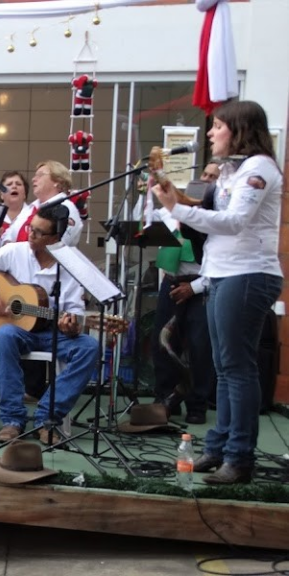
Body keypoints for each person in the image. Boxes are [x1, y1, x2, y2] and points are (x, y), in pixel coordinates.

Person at [152, 100, 283, 485]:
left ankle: (239, 456)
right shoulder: (233, 170)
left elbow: (234, 221)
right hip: (224, 273)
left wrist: (178, 206)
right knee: (226, 368)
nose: (211, 133)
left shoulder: (258, 169)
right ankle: (220, 445)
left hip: (248, 273)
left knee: (237, 369)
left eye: (218, 126)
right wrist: (171, 194)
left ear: (239, 130)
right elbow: (204, 207)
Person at [0, 204, 98, 445]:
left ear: (55, 237)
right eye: (30, 228)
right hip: (17, 330)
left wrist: (72, 325)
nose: (30, 234)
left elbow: (74, 312)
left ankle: (47, 418)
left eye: (37, 232)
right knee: (4, 335)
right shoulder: (14, 251)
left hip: (52, 332)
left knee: (89, 347)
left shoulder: (70, 264)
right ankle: (13, 420)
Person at [150, 166, 217, 425]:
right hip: (171, 280)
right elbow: (145, 220)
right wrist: (147, 194)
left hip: (200, 284)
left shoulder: (214, 217)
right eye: (205, 175)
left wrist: (195, 287)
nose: (206, 179)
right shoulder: (174, 211)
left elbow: (221, 263)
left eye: (213, 177)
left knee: (200, 345)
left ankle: (197, 403)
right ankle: (167, 397)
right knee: (163, 341)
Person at [0, 170, 32, 397]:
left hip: (25, 278)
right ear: (1, 193)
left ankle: (29, 384)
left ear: (25, 191)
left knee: (27, 323)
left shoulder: (33, 215)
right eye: (8, 184)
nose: (14, 187)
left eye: (18, 183)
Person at [0, 160, 83, 248]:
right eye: (35, 175)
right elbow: (8, 235)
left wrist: (16, 251)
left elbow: (56, 247)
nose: (33, 179)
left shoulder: (67, 209)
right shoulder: (31, 208)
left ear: (58, 181)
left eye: (40, 175)